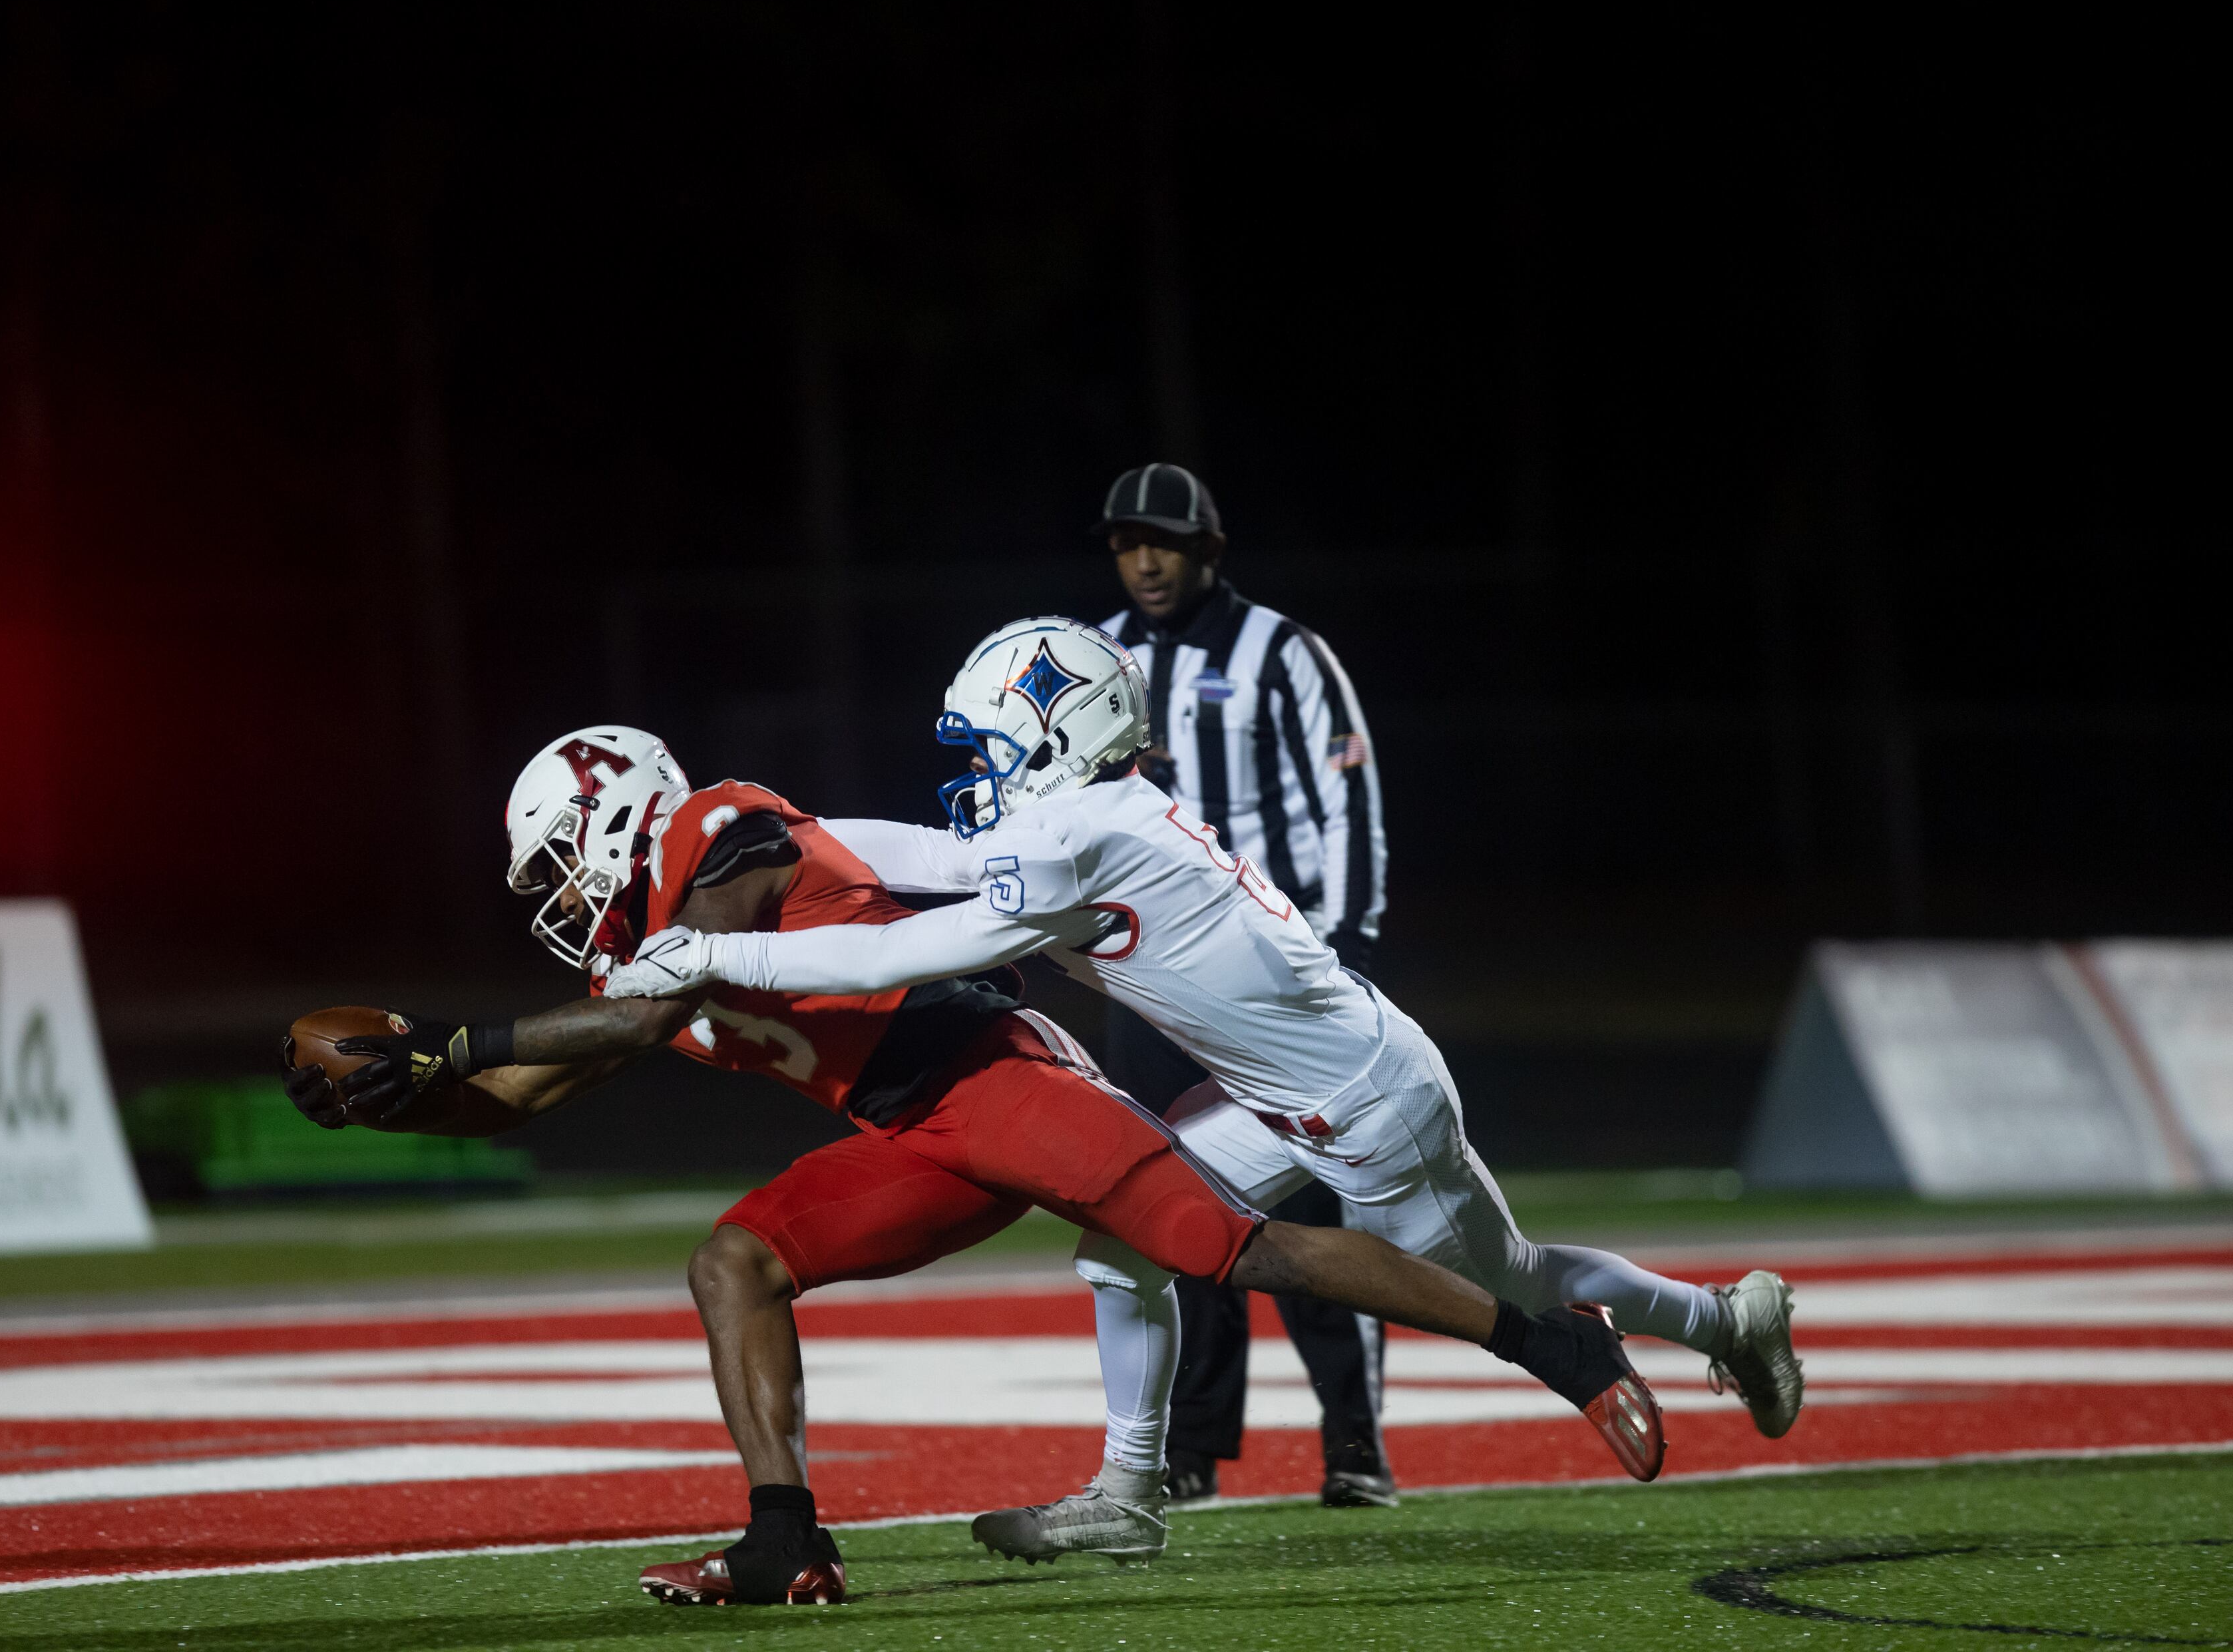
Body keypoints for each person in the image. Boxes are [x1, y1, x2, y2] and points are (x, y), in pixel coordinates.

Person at [282, 724, 1662, 1605]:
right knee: (735, 1260)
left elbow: (640, 1006)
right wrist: (393, 1096)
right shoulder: (621, 952)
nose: (560, 902)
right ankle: (787, 1538)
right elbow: (519, 1089)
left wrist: (439, 1037)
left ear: (616, 812)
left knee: (1223, 1247)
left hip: (993, 1067)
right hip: (904, 1131)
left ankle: (1547, 1337)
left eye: (558, 869)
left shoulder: (716, 831)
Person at [608, 617, 1801, 1565]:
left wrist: (716, 955)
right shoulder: (1082, 815)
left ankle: (1724, 1320)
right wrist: (785, 829)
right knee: (1120, 1249)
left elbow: (895, 952)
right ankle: (1129, 1493)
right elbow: (916, 857)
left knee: (1515, 1283)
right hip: (1261, 1094)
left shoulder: (1072, 835)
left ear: (1055, 734)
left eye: (988, 748)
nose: (974, 774)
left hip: (1367, 1104)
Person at [1092, 461, 1396, 1506]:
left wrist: (1343, 944)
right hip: (1154, 985)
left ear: (1208, 550)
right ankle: (1192, 1451)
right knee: (1175, 1206)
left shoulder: (1284, 654)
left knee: (1317, 1204)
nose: (1144, 562)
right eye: (1128, 542)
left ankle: (1355, 1438)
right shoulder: (1100, 660)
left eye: (1163, 543)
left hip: (1272, 982)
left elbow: (1346, 802)